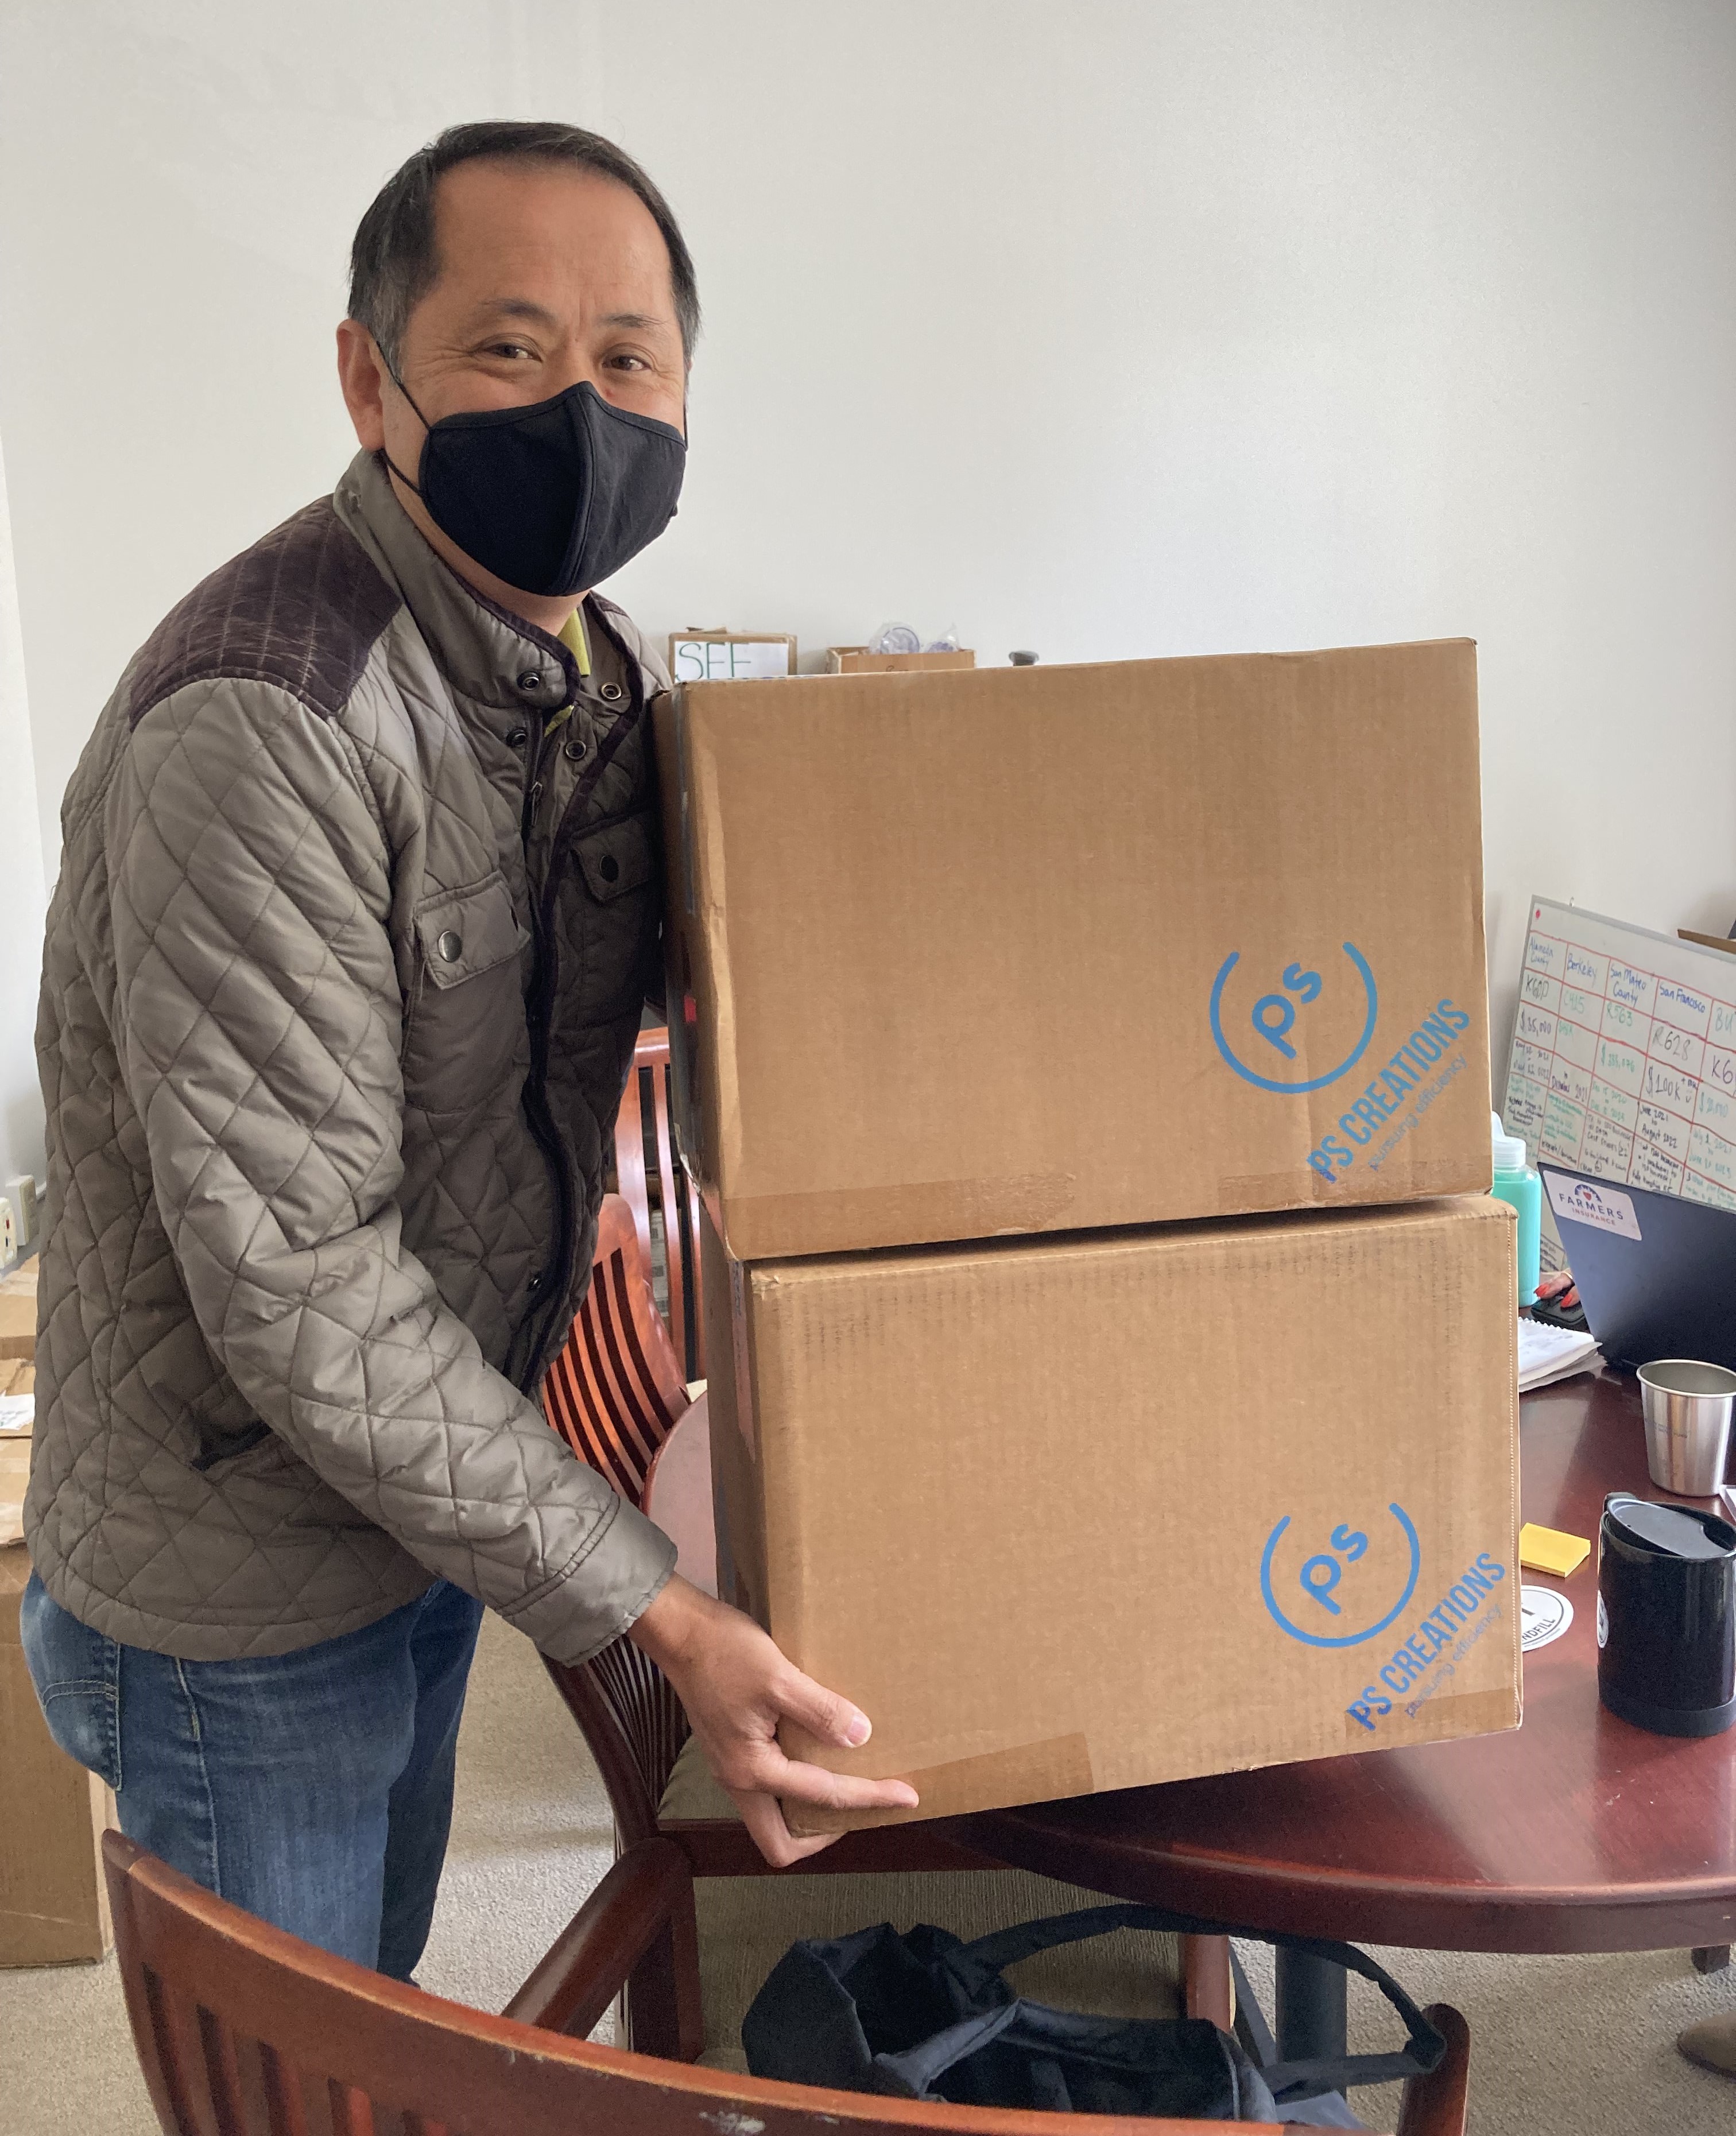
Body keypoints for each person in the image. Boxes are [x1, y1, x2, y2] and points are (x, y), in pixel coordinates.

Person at [20, 119, 916, 1980]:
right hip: (242, 1577)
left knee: (382, 1986)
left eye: (628, 359)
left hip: (426, 1493)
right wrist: (651, 1606)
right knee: (303, 2074)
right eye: (509, 350)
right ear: (371, 376)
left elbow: (708, 1008)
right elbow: (299, 1281)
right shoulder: (266, 721)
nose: (580, 409)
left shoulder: (588, 676)